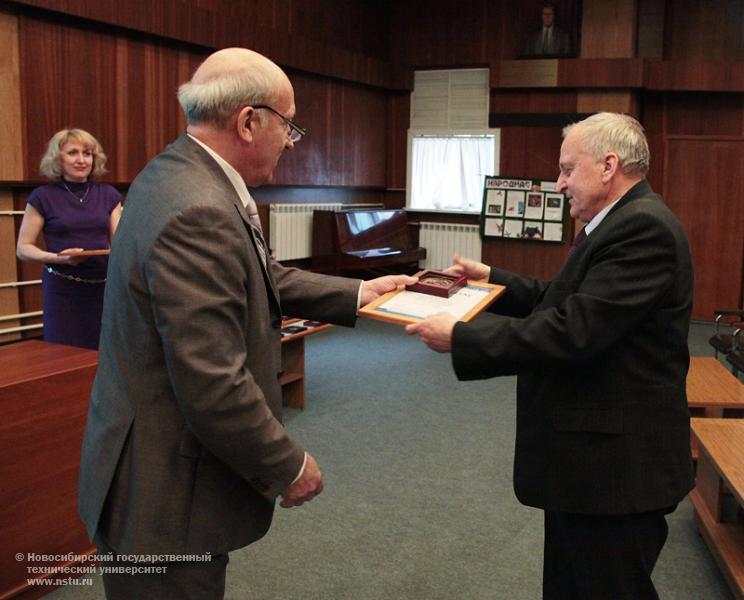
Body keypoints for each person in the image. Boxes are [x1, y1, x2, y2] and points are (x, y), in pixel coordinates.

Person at [78, 48, 413, 599]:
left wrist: (357, 292)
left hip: (148, 472)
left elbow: (259, 275)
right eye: (290, 126)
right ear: (249, 121)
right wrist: (286, 462)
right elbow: (211, 380)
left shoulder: (174, 173)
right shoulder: (199, 208)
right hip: (164, 494)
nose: (290, 141)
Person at [407, 112, 694, 600]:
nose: (558, 185)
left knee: (608, 587)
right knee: (571, 584)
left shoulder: (642, 228)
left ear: (608, 165)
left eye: (566, 170)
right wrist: (491, 278)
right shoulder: (619, 221)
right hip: (589, 458)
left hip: (616, 468)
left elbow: (573, 330)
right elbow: (564, 299)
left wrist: (463, 337)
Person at [16, 128, 122, 349]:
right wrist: (57, 257)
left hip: (103, 287)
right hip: (62, 288)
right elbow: (23, 248)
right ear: (58, 158)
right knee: (63, 354)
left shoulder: (109, 195)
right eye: (73, 152)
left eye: (88, 153)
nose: (82, 159)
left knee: (105, 352)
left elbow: (120, 244)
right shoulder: (42, 196)